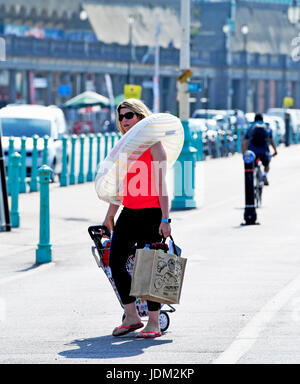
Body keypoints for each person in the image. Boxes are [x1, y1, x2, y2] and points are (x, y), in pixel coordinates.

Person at [102, 98, 171, 339]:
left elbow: (162, 185)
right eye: (120, 116)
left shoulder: (154, 145)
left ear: (141, 117)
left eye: (129, 115)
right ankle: (131, 317)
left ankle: (154, 322)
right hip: (129, 212)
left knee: (149, 267)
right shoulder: (124, 146)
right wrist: (110, 215)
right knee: (115, 262)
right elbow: (119, 186)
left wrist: (166, 218)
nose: (124, 121)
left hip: (152, 212)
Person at [243, 113, 278, 185]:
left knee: (252, 166)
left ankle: (252, 178)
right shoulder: (267, 127)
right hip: (264, 150)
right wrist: (275, 151)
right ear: (262, 119)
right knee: (266, 164)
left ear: (254, 119)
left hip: (252, 151)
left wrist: (244, 153)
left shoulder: (251, 127)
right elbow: (271, 141)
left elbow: (246, 141)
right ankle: (265, 175)